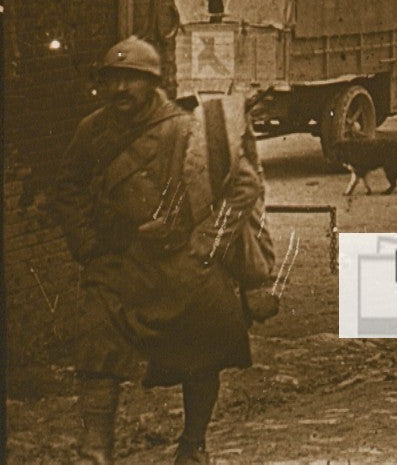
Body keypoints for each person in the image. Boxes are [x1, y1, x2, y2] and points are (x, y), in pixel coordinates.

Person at [50, 37, 278, 465]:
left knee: (207, 337)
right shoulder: (93, 131)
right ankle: (94, 450)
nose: (120, 90)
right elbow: (68, 188)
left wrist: (207, 243)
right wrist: (87, 245)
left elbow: (244, 187)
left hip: (181, 260)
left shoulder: (189, 128)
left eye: (131, 80)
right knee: (97, 346)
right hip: (116, 259)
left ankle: (194, 444)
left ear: (154, 83)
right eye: (112, 80)